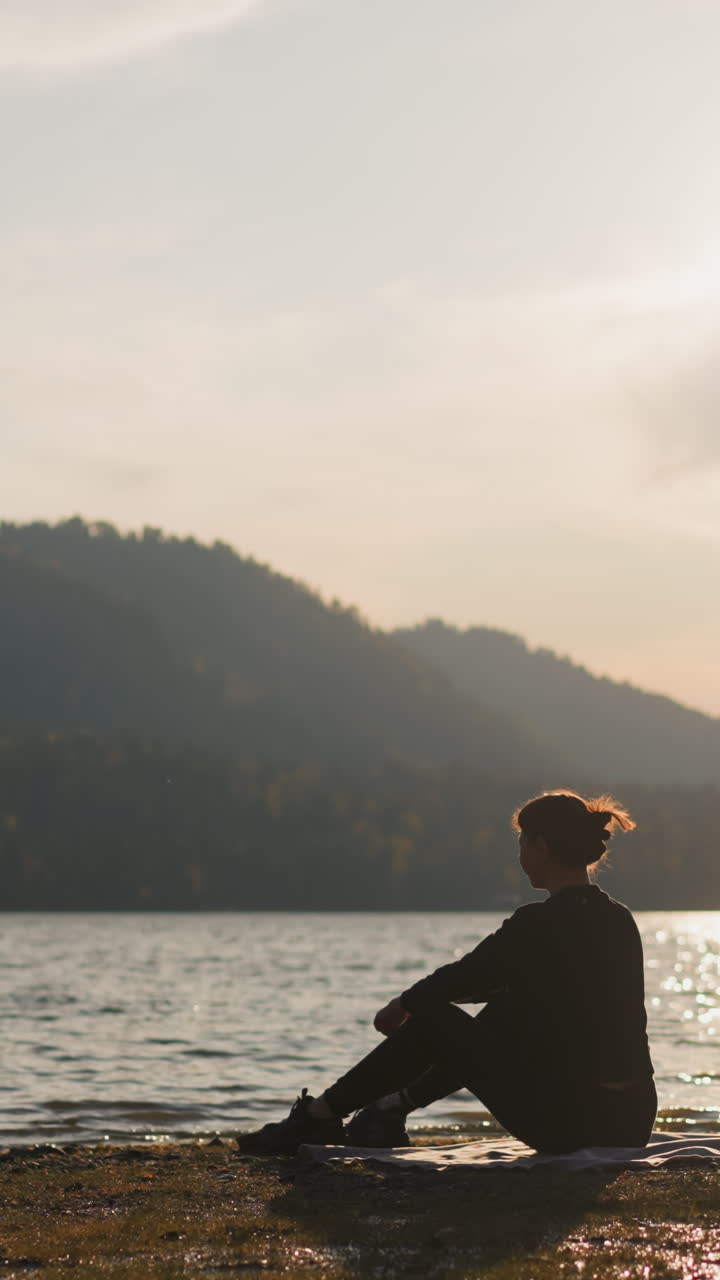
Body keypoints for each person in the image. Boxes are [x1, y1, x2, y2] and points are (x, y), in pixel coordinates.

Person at [239, 790, 656, 1155]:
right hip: (631, 1121)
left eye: (522, 843)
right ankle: (388, 1109)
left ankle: (319, 1116)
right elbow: (493, 984)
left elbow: (468, 975)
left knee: (437, 1021)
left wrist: (402, 1005)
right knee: (506, 1008)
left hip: (573, 1126)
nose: (519, 856)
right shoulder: (618, 919)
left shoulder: (539, 923)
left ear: (542, 846)